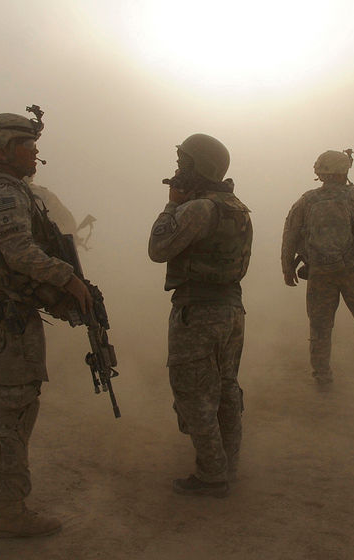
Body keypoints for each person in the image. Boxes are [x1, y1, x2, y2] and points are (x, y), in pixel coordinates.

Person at [0, 110, 93, 538]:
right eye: (26, 144)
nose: (35, 152)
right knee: (14, 414)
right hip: (6, 324)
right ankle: (11, 510)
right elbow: (19, 252)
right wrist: (69, 279)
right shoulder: (5, 194)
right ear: (1, 149)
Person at [148, 133, 252, 498]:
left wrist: (170, 205)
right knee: (225, 389)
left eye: (183, 163)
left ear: (200, 167)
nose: (177, 169)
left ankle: (211, 475)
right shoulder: (236, 206)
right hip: (230, 311)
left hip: (199, 312)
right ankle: (228, 465)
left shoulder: (198, 208)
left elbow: (158, 249)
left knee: (194, 393)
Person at [280, 149, 354, 387]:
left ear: (320, 172)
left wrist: (287, 267)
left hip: (320, 272)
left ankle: (322, 377)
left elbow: (290, 234)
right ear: (345, 170)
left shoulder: (307, 200)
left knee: (320, 327)